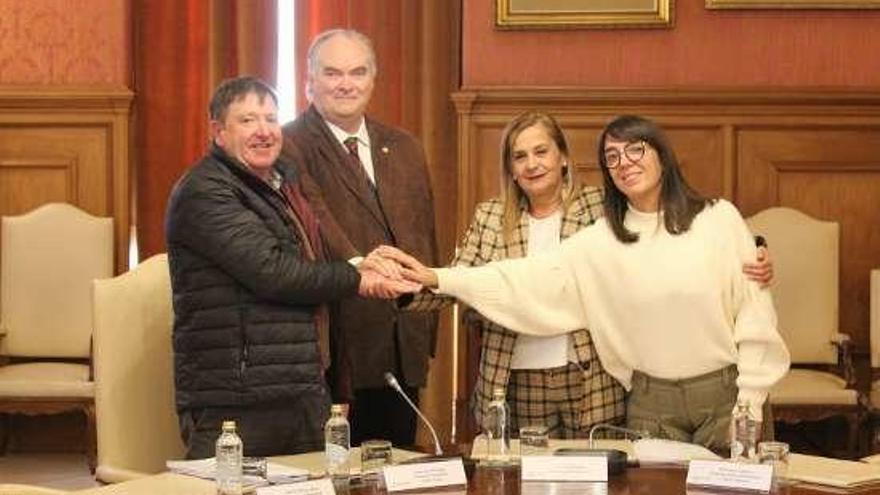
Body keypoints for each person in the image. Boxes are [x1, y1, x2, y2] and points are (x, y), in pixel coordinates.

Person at [388, 115, 790, 451]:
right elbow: (519, 277)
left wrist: (755, 247)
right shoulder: (584, 234)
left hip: (694, 392)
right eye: (613, 156)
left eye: (636, 150)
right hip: (620, 398)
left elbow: (744, 296)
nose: (625, 163)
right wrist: (431, 277)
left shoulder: (687, 217)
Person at [165, 76, 414, 458]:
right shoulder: (205, 190)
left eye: (270, 118)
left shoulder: (284, 182)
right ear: (218, 132)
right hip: (238, 398)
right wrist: (358, 278)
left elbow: (314, 255)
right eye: (248, 120)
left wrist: (363, 262)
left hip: (300, 386)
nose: (264, 131)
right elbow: (273, 272)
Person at [281, 29, 438, 446]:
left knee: (399, 473)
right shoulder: (289, 144)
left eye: (357, 72)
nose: (345, 84)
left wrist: (427, 319)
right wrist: (363, 270)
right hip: (337, 347)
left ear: (373, 79)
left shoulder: (404, 146)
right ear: (309, 81)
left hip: (404, 344)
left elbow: (426, 237)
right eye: (332, 73)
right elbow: (318, 219)